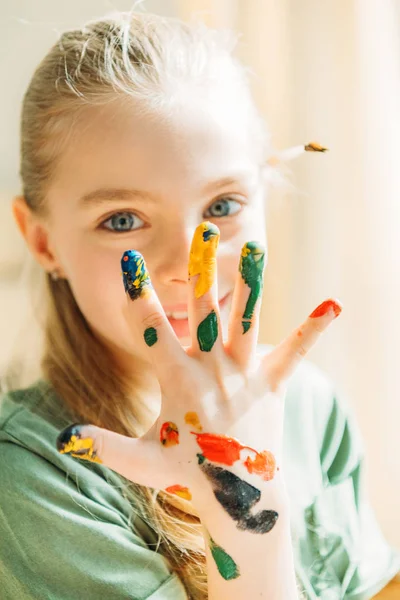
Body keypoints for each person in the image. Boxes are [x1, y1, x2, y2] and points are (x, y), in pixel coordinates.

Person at [0, 9, 399, 600]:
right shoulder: (32, 481)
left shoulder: (309, 406)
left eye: (220, 207)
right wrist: (244, 495)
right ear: (42, 241)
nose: (190, 267)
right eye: (123, 220)